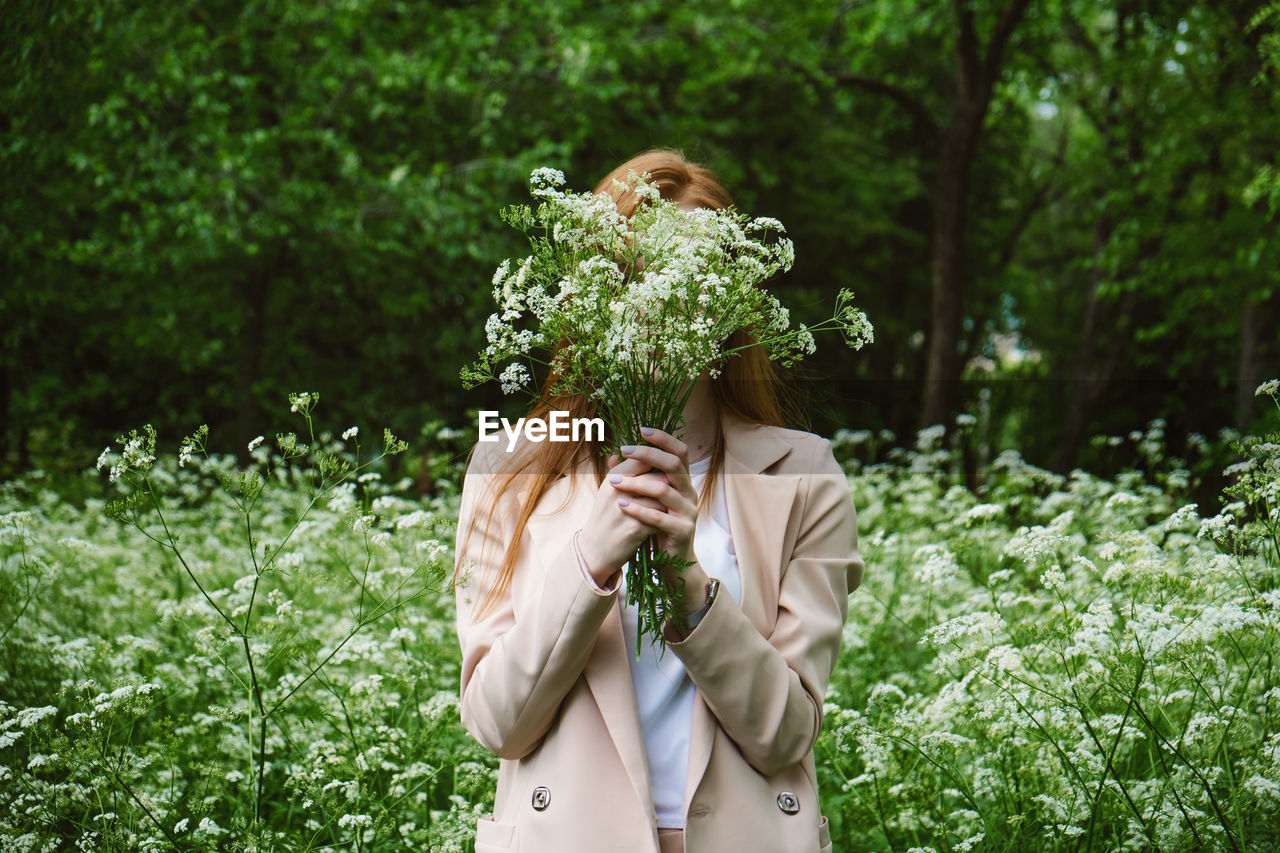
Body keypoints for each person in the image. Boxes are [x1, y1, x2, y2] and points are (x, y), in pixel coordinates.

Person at [454, 149, 864, 853]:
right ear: (596, 290)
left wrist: (688, 584)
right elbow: (499, 722)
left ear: (732, 300)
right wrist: (592, 558)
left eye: (691, 279)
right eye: (638, 276)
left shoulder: (804, 474)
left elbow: (788, 731)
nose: (664, 300)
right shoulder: (510, 465)